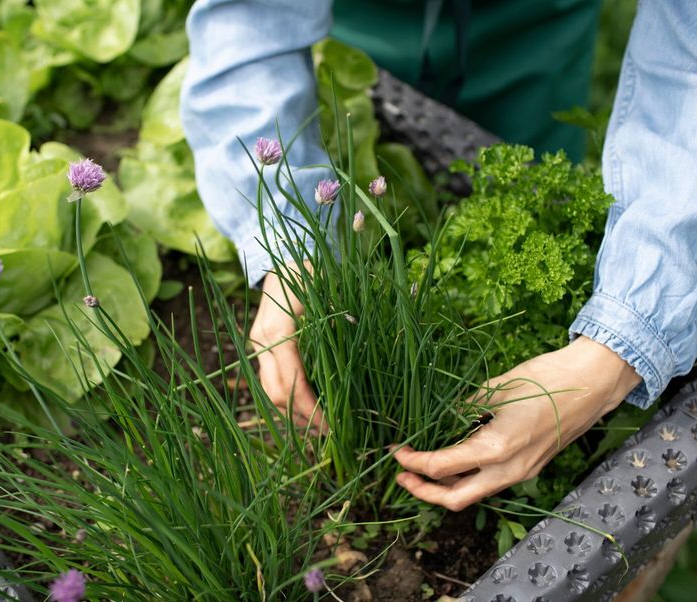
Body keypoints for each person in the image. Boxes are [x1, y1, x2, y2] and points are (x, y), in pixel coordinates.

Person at [180, 0, 697, 511]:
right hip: (365, 28)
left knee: (526, 172)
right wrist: (295, 249)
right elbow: (248, 23)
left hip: (536, 30)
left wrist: (614, 352)